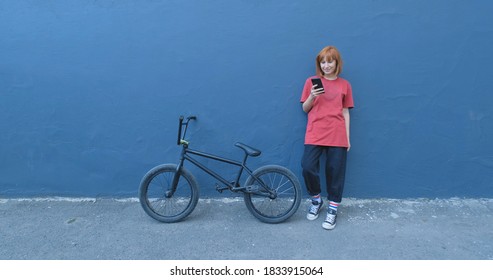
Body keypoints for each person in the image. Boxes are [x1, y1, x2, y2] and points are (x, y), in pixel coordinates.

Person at [300, 46, 354, 230]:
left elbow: (345, 112)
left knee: (335, 172)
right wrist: (312, 96)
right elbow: (305, 109)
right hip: (315, 131)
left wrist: (347, 137)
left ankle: (332, 209)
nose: (326, 65)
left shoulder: (344, 85)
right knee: (307, 166)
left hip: (337, 133)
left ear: (336, 62)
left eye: (330, 61)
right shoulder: (311, 82)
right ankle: (316, 200)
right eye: (323, 62)